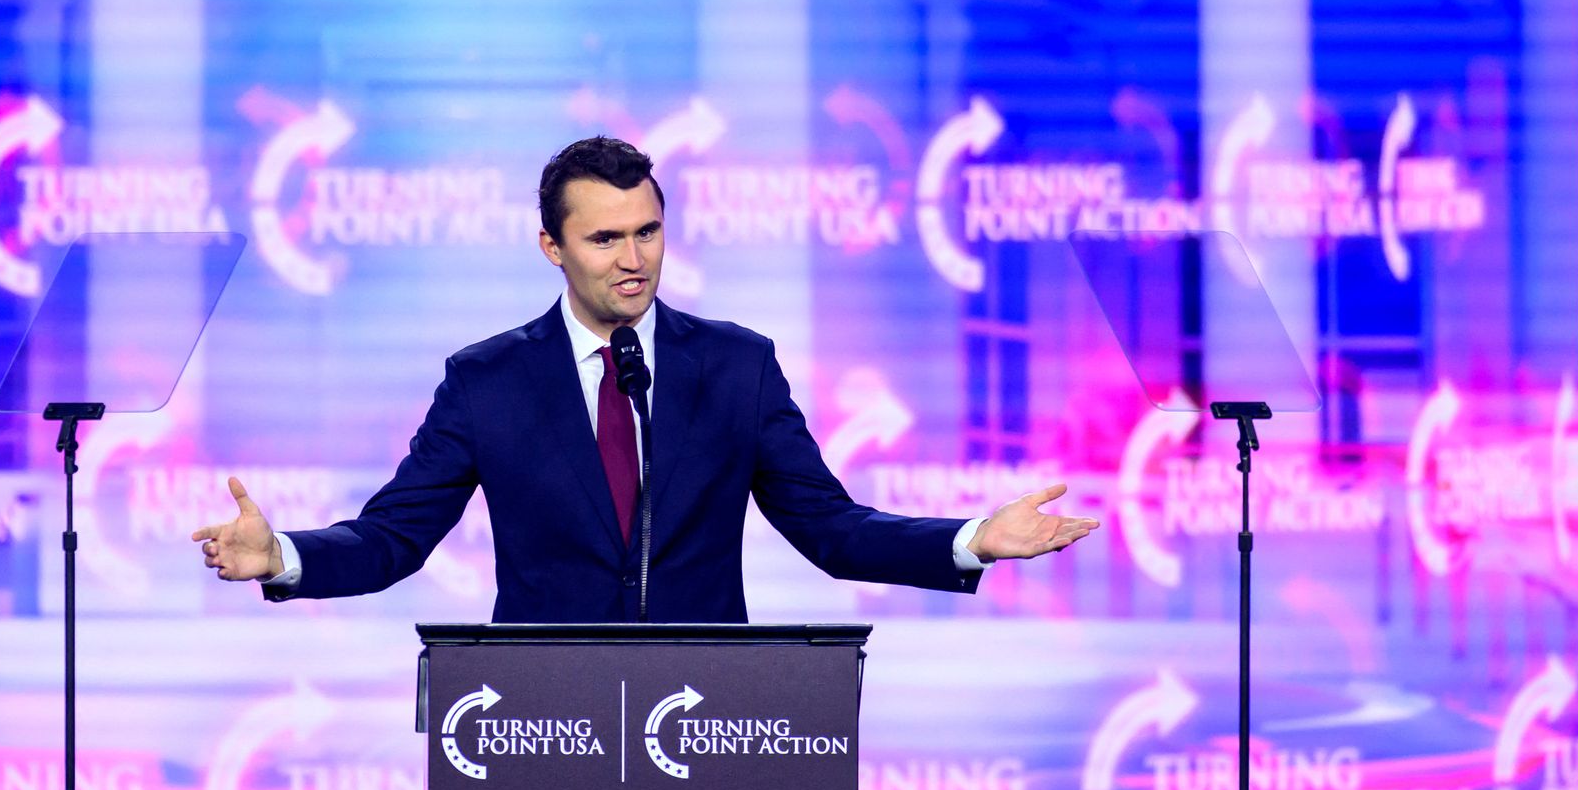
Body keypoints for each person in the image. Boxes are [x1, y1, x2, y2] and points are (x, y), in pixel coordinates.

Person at [193, 137, 1098, 622]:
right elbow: (395, 537)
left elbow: (832, 530)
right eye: (603, 238)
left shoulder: (738, 367)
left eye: (648, 232)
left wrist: (977, 537)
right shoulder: (487, 382)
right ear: (550, 246)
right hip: (539, 722)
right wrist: (284, 557)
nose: (633, 260)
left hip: (708, 717)